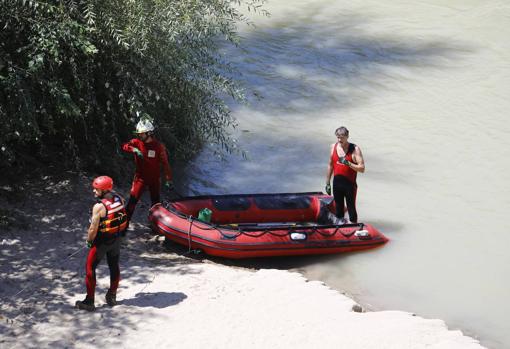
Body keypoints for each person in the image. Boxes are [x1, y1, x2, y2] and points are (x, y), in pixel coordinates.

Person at [75, 176, 128, 311]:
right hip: (116, 239)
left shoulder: (99, 207)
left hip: (102, 242)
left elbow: (93, 228)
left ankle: (89, 302)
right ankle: (112, 296)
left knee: (90, 268)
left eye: (96, 189)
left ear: (104, 190)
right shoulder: (119, 198)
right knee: (114, 265)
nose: (94, 191)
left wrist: (89, 242)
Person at [121, 116, 173, 221]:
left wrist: (168, 179)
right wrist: (134, 149)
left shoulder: (158, 147)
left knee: (156, 204)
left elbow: (165, 164)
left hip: (155, 179)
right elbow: (124, 146)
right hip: (140, 178)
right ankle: (124, 224)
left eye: (141, 133)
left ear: (149, 133)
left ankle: (155, 224)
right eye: (139, 133)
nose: (139, 135)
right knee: (132, 201)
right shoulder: (136, 142)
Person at [325, 126, 365, 223]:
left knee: (351, 209)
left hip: (350, 185)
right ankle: (340, 229)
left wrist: (348, 163)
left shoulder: (355, 149)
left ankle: (354, 229)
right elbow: (330, 165)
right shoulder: (333, 147)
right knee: (338, 210)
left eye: (342, 137)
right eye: (338, 137)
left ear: (347, 137)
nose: (339, 140)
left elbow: (362, 168)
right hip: (336, 184)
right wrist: (327, 183)